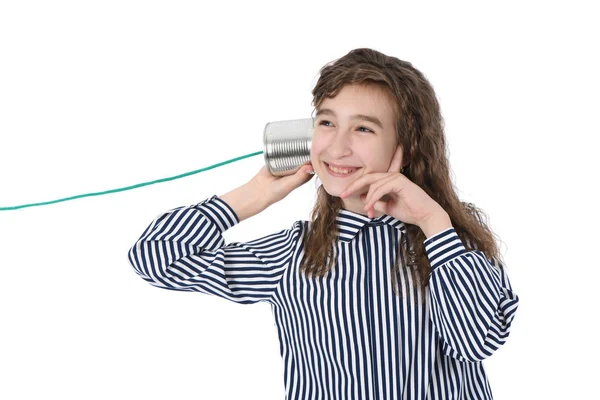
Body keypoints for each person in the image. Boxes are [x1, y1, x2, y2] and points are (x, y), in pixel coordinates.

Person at [127, 48, 519, 399]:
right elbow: (155, 257)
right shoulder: (293, 254)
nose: (336, 147)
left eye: (363, 128)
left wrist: (434, 222)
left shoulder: (453, 244)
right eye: (327, 123)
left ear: (409, 145)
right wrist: (253, 196)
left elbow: (476, 341)